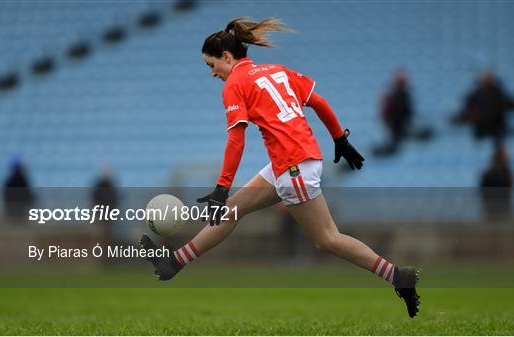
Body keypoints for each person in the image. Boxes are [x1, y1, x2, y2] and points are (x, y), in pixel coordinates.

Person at [141, 18, 419, 318]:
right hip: (290, 160)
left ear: (226, 57)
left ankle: (397, 276)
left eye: (212, 65)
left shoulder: (235, 83)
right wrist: (340, 139)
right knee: (233, 209)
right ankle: (173, 263)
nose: (212, 74)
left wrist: (221, 187)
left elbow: (236, 139)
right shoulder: (276, 70)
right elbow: (319, 101)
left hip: (293, 166)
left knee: (327, 239)